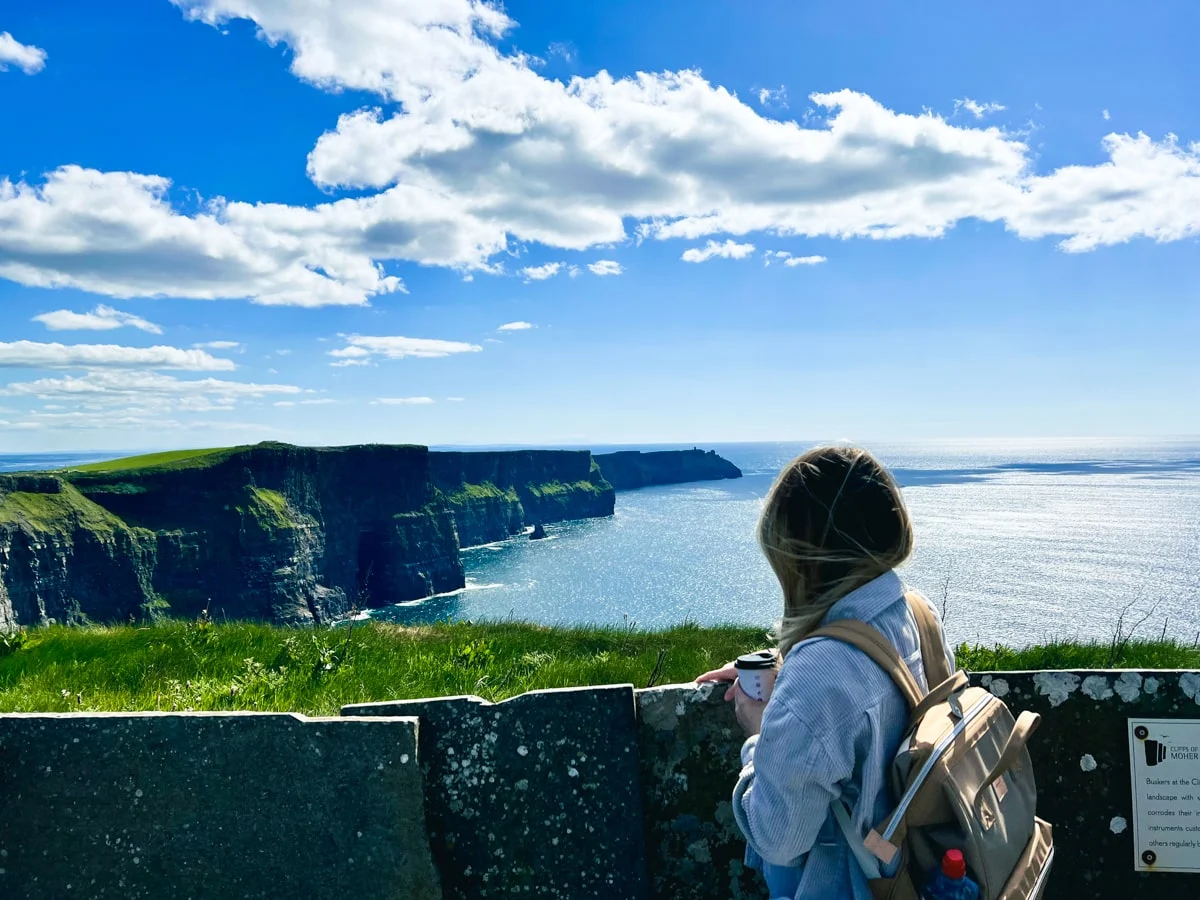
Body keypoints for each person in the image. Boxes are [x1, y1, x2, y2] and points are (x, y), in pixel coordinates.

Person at [696, 445, 954, 899]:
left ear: (800, 558)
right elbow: (867, 684)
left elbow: (780, 840)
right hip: (926, 871)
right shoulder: (919, 615)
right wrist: (789, 672)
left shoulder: (820, 674)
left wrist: (760, 731)